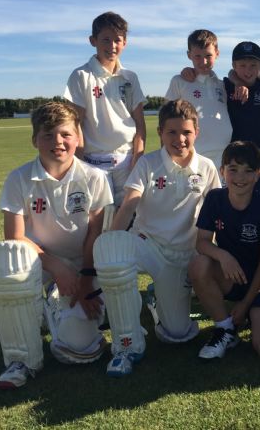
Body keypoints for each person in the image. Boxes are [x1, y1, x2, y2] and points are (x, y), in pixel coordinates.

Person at [0, 101, 113, 389]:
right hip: (39, 263)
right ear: (34, 140)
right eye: (48, 135)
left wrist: (84, 280)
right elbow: (14, 237)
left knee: (78, 349)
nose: (58, 142)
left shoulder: (95, 178)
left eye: (65, 134)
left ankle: (47, 310)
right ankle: (20, 360)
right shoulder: (19, 178)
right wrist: (56, 267)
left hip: (83, 265)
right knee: (9, 259)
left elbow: (96, 233)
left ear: (78, 138)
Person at [92, 99, 221, 377]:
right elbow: (129, 204)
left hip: (182, 255)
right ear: (161, 132)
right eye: (171, 132)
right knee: (114, 258)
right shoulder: (148, 163)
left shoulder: (208, 167)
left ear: (196, 132)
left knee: (176, 334)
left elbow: (216, 215)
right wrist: (112, 241)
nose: (179, 139)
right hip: (145, 243)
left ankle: (156, 300)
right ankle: (127, 346)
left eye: (186, 132)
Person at [189, 141, 260, 359]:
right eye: (233, 169)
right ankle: (225, 329)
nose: (240, 178)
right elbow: (202, 242)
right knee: (199, 264)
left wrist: (245, 304)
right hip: (232, 275)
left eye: (248, 171)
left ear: (258, 175)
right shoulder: (215, 198)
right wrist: (223, 256)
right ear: (222, 171)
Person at [63, 11, 146, 205]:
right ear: (93, 40)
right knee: (98, 223)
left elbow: (140, 125)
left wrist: (137, 160)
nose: (112, 46)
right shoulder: (81, 75)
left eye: (117, 40)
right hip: (93, 163)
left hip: (126, 163)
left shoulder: (130, 77)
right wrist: (80, 164)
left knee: (128, 221)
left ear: (125, 42)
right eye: (105, 40)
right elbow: (75, 124)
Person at [165, 29, 232, 170]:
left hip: (224, 155)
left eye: (208, 55)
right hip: (195, 155)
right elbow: (166, 118)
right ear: (189, 55)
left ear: (217, 54)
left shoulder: (222, 85)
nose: (204, 61)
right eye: (197, 56)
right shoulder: (180, 81)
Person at [223, 42, 260, 200]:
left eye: (253, 65)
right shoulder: (226, 86)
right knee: (236, 200)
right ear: (234, 65)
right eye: (242, 65)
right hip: (235, 157)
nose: (248, 70)